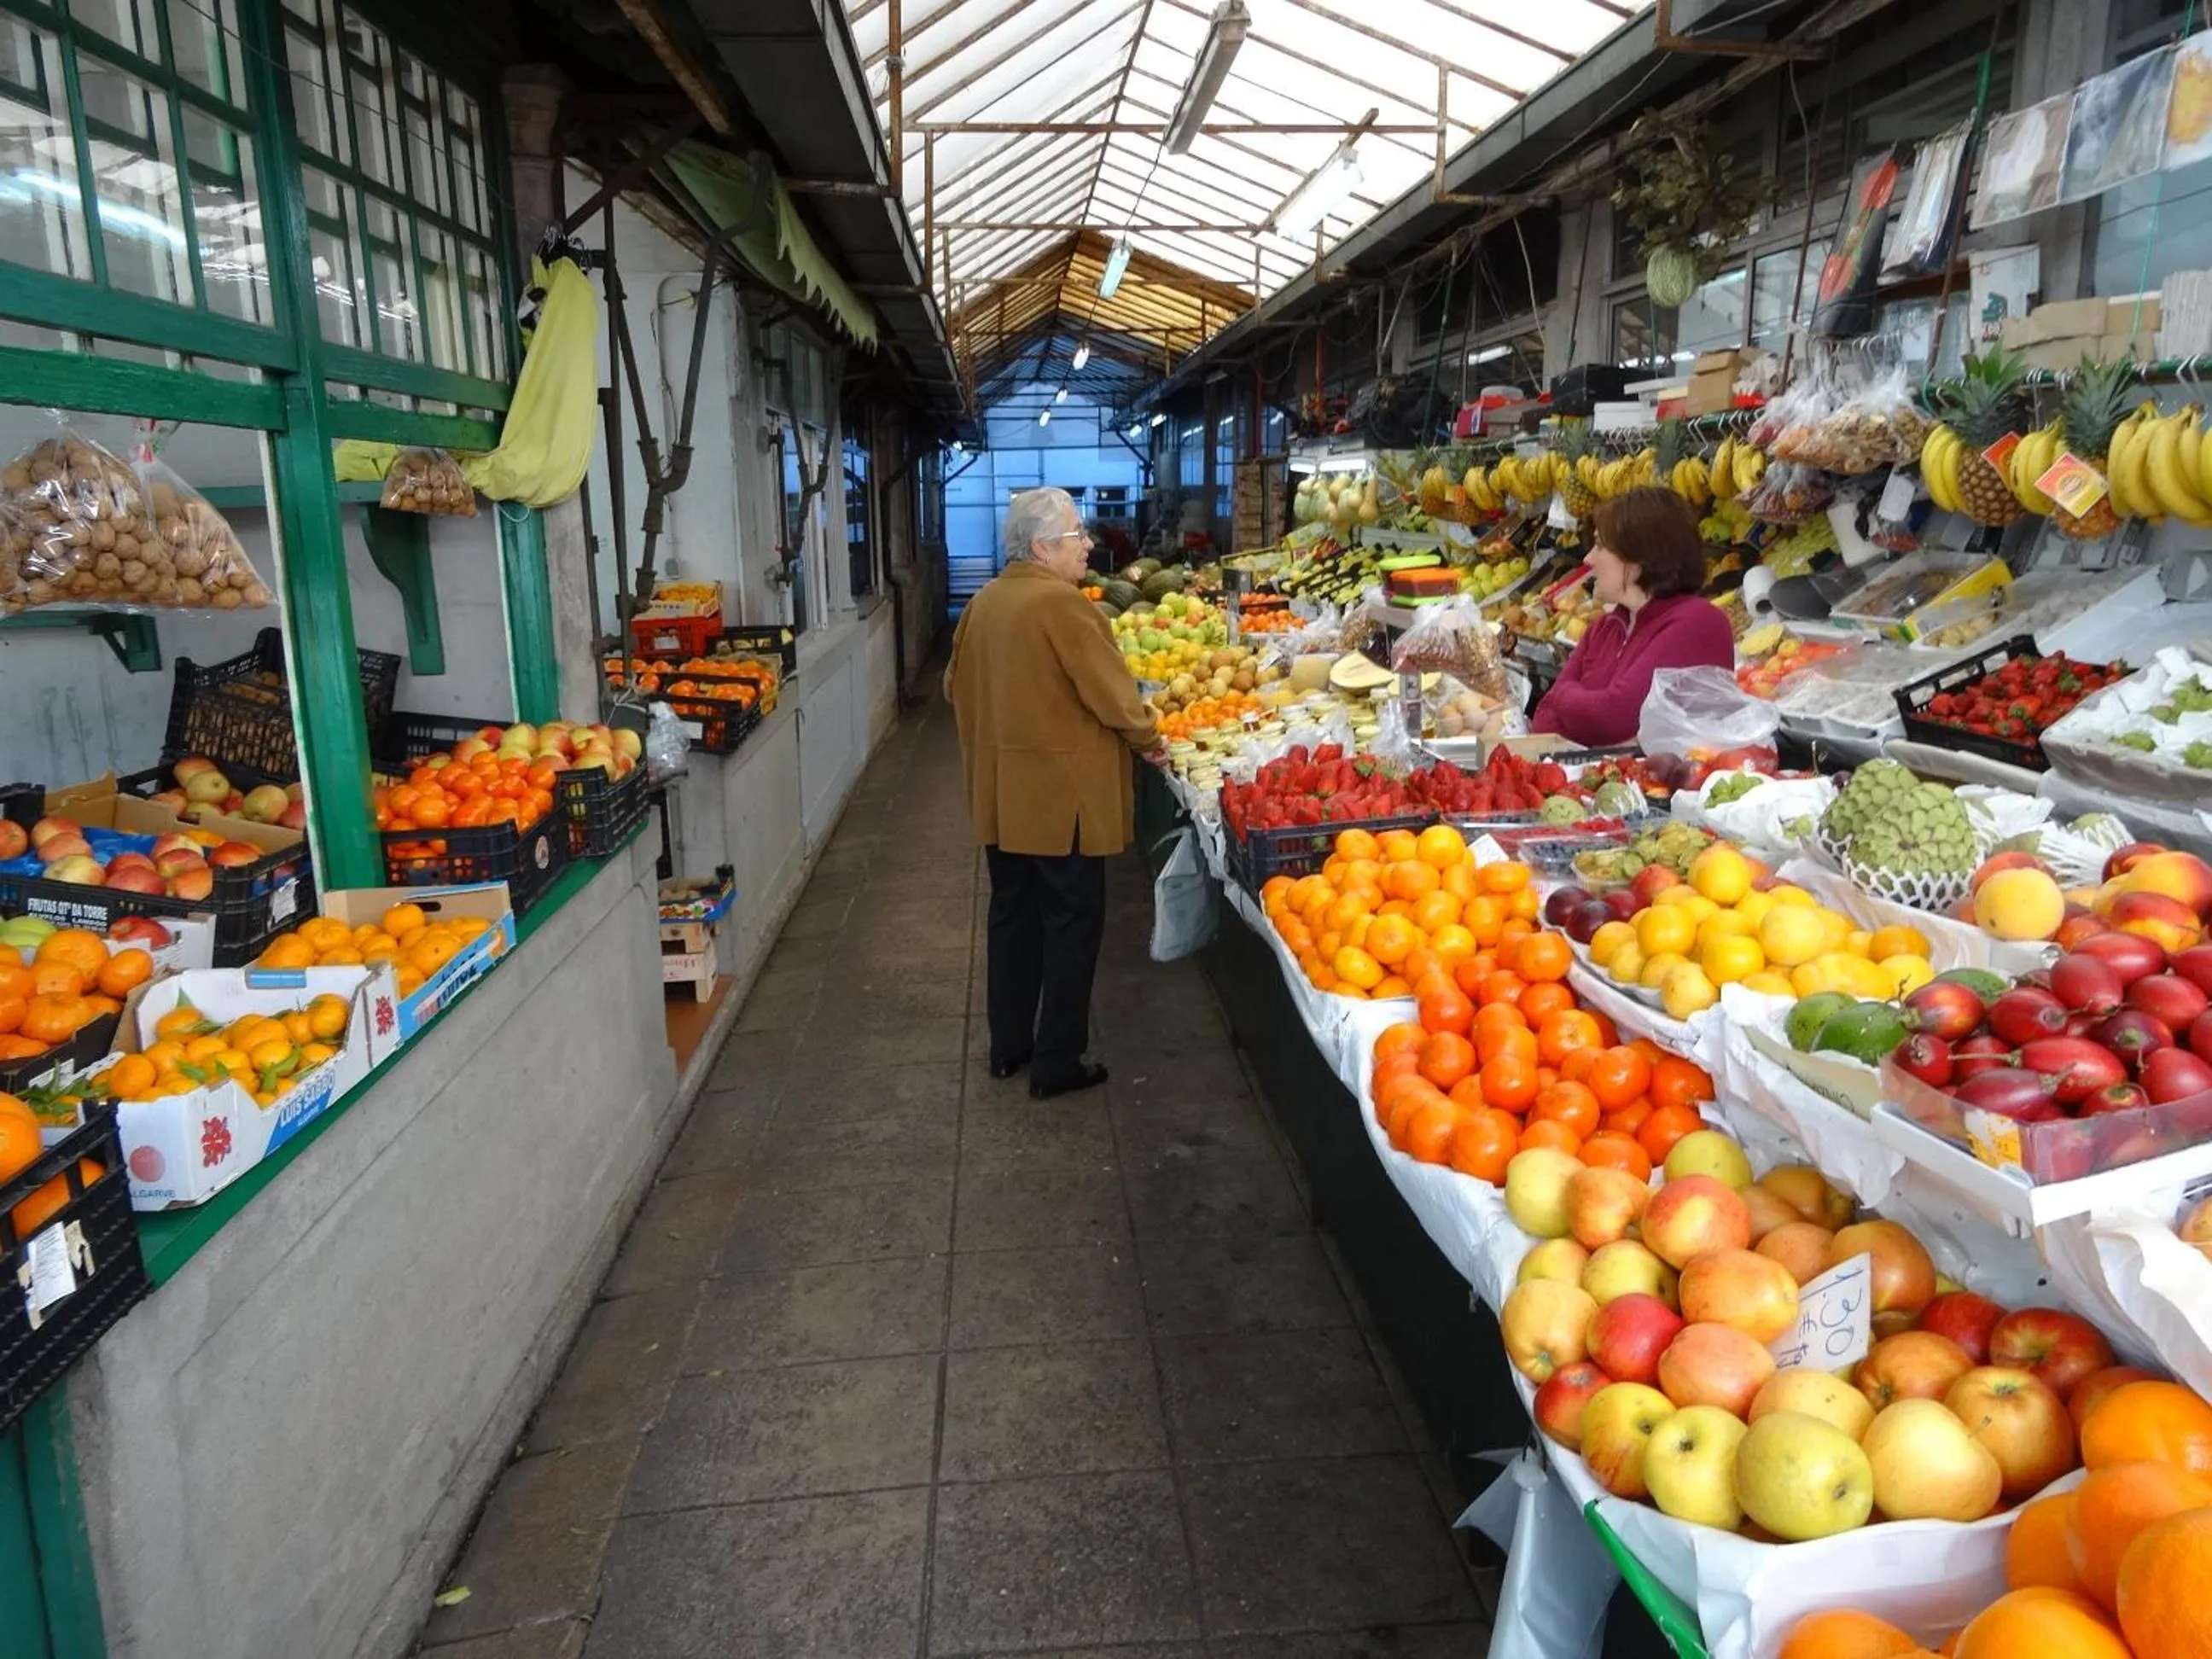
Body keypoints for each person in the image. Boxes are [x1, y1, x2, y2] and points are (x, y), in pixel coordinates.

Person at [946, 487, 1164, 1100]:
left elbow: (953, 688)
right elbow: (1113, 695)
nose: (1088, 544)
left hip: (1003, 800)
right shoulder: (1064, 606)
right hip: (1062, 804)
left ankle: (1009, 1048)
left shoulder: (983, 604)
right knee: (1071, 927)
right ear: (1043, 547)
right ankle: (1057, 1062)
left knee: (1013, 921)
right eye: (1077, 535)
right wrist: (1149, 737)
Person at [1530, 486, 1736, 748]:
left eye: (1600, 546)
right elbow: (1543, 721)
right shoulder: (1603, 628)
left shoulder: (1697, 622)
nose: (1588, 558)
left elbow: (1612, 718)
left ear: (1638, 558)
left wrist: (1564, 695)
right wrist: (1580, 710)